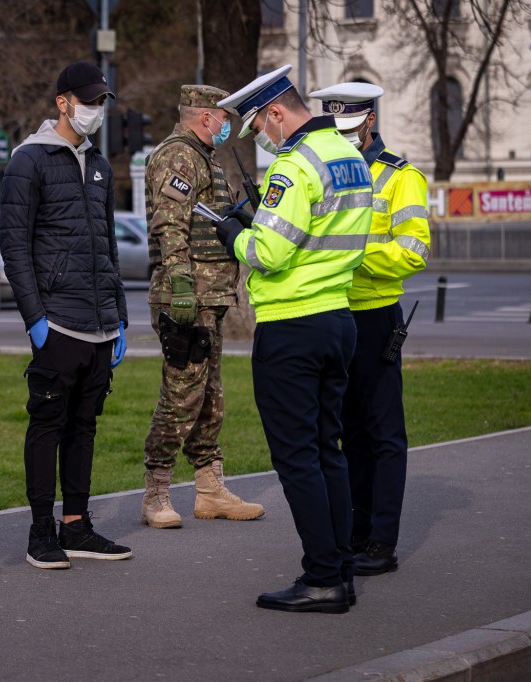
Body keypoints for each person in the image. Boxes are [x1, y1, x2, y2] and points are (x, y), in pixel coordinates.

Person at [213, 65, 372, 614]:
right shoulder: (348, 155)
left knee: (298, 458)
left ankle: (322, 577)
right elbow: (325, 232)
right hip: (337, 318)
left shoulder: (294, 164)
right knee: (329, 450)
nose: (261, 139)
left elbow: (271, 253)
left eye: (259, 127)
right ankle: (341, 568)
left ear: (277, 112)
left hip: (292, 326)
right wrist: (264, 222)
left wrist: (237, 234)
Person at [0, 61, 131, 570]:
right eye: (88, 101)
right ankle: (40, 533)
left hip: (99, 323)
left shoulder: (99, 164)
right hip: (56, 322)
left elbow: (107, 246)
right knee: (48, 425)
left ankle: (76, 526)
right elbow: (15, 247)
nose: (96, 110)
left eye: (101, 103)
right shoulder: (27, 161)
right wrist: (35, 318)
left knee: (85, 426)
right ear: (62, 102)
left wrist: (119, 315)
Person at [308, 82, 431, 576]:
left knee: (382, 432)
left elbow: (415, 250)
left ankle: (382, 540)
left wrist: (354, 255)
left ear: (370, 121)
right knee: (346, 431)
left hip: (376, 314)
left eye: (352, 127)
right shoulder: (328, 172)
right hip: (333, 312)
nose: (345, 136)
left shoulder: (401, 177)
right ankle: (356, 530)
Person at [142, 84, 264, 528]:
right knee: (181, 395)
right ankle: (156, 490)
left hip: (210, 296)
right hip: (186, 298)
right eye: (223, 118)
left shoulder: (205, 157)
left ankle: (210, 489)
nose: (227, 125)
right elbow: (169, 224)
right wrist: (179, 285)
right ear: (205, 117)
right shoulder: (178, 156)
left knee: (210, 398)